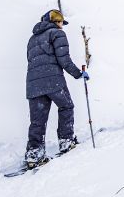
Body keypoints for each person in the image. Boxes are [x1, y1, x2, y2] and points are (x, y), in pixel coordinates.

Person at [24, 9, 87, 168]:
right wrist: (79, 74)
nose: (61, 25)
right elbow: (64, 59)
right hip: (53, 81)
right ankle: (66, 141)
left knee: (37, 120)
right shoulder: (57, 34)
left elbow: (31, 61)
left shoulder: (32, 39)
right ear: (54, 21)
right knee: (66, 106)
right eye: (60, 22)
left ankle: (34, 154)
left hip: (33, 85)